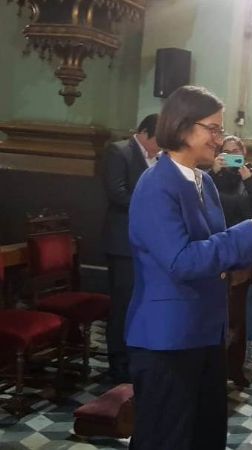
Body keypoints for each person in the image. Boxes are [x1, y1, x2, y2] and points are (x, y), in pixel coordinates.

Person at [126, 86, 252, 450]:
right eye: (213, 129)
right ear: (184, 127)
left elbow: (217, 251)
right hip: (167, 339)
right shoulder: (156, 185)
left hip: (204, 331)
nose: (219, 140)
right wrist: (250, 231)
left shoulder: (203, 182)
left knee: (204, 434)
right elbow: (181, 260)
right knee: (166, 439)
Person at [209, 135, 252, 387]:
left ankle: (235, 365)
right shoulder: (210, 177)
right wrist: (213, 173)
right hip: (217, 247)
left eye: (236, 152)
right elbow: (201, 203)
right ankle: (212, 365)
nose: (232, 156)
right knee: (214, 309)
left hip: (245, 251)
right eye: (227, 152)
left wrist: (249, 180)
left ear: (244, 154)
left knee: (239, 310)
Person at [101, 113, 159, 384]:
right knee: (122, 305)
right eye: (159, 140)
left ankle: (135, 357)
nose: (161, 147)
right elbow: (117, 193)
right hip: (122, 242)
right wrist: (154, 206)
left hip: (145, 243)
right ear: (145, 133)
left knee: (139, 304)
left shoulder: (157, 158)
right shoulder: (119, 151)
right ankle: (117, 363)